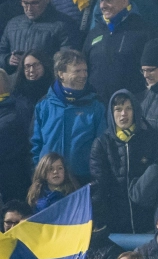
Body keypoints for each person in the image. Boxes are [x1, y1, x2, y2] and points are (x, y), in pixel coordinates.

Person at [89, 89, 158, 234]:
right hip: (116, 223)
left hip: (149, 221)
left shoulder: (153, 139)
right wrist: (99, 221)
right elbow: (98, 185)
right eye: (118, 109)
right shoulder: (101, 143)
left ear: (136, 112)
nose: (123, 114)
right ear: (111, 113)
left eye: (128, 109)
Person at [30, 50, 105, 181]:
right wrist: (38, 171)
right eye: (77, 71)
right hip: (49, 180)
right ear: (61, 74)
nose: (84, 75)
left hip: (82, 180)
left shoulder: (96, 105)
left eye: (85, 70)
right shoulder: (44, 104)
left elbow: (103, 145)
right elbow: (34, 143)